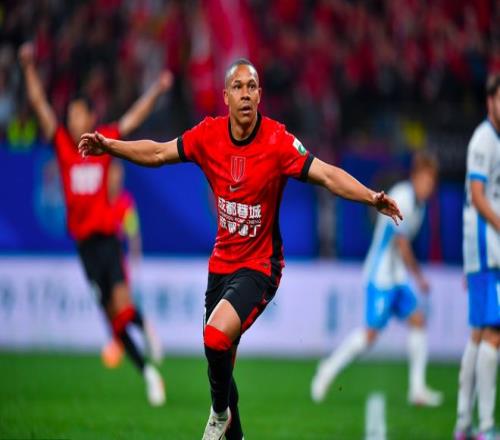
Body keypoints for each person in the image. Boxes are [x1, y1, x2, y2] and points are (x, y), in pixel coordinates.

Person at [78, 58, 402, 440]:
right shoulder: (208, 135)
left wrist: (371, 197)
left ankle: (218, 415)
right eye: (238, 87)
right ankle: (233, 430)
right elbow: (160, 153)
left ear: (260, 95)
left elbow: (328, 175)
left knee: (215, 338)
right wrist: (110, 146)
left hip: (261, 267)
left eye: (252, 87)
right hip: (221, 265)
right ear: (226, 96)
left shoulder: (278, 141)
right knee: (220, 359)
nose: (246, 94)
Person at [19, 41, 173, 406]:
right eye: (70, 116)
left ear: (90, 118)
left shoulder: (103, 141)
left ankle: (145, 329)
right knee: (113, 321)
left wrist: (156, 90)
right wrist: (27, 67)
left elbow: (133, 119)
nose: (73, 121)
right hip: (84, 247)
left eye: (78, 115)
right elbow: (39, 104)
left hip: (107, 240)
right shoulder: (62, 144)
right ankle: (149, 373)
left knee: (122, 304)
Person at [310, 152, 443, 407]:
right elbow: (401, 242)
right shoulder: (403, 196)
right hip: (381, 276)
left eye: (432, 183)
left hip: (397, 277)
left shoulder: (420, 205)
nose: (428, 187)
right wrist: (419, 278)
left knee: (418, 320)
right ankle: (327, 369)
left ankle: (417, 389)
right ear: (416, 177)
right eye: (426, 181)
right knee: (370, 335)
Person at [454, 74, 500, 440]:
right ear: (490, 101)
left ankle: (463, 422)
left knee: (479, 333)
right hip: (488, 245)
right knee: (494, 333)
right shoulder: (484, 139)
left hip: (485, 246)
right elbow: (478, 194)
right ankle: (484, 427)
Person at [101, 159, 163, 369]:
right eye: (112, 174)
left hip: (117, 262)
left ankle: (145, 328)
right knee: (110, 308)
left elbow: (133, 232)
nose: (115, 179)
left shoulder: (125, 202)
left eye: (118, 175)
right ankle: (119, 341)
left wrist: (135, 257)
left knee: (123, 305)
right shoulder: (100, 200)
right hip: (100, 263)